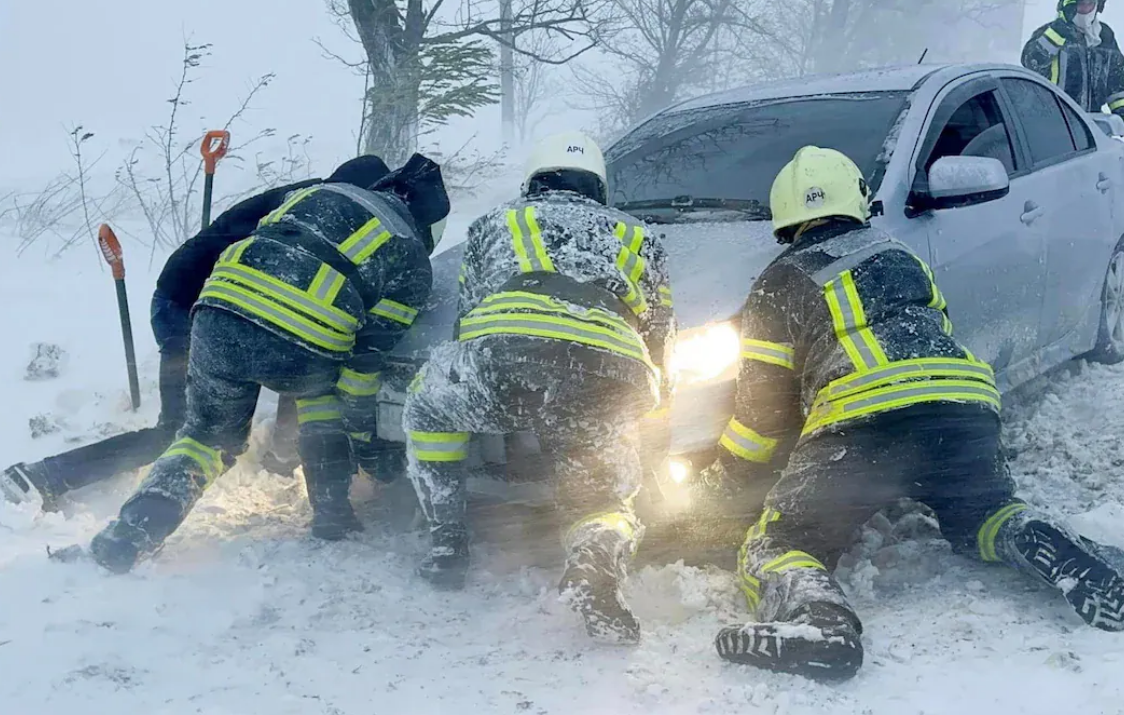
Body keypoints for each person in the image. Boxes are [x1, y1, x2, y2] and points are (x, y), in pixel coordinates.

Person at [702, 146, 1124, 681]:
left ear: (784, 218)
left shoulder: (779, 281)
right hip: (964, 407)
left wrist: (724, 479)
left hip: (861, 424)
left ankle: (820, 623)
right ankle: (1036, 538)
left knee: (782, 541)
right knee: (981, 512)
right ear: (855, 200)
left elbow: (761, 418)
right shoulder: (900, 257)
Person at [86, 152, 450, 573]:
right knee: (322, 401)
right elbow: (363, 367)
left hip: (216, 315)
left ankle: (132, 532)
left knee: (205, 438)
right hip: (302, 340)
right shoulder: (410, 257)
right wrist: (367, 443)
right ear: (427, 225)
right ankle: (332, 516)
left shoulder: (314, 193)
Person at [401, 131, 676, 643]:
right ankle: (596, 559)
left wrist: (497, 389)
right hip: (608, 369)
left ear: (533, 181)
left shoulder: (498, 222)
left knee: (428, 407)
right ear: (598, 186)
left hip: (507, 357)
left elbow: (469, 319)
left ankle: (447, 542)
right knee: (604, 497)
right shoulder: (640, 235)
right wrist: (649, 417)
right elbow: (659, 339)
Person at [0, 161, 392, 510]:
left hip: (227, 309)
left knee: (301, 352)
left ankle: (280, 457)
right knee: (179, 430)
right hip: (189, 310)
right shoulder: (314, 211)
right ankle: (44, 476)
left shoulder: (314, 203)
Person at [1021, 0, 1124, 144]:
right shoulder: (1049, 34)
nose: (1086, 9)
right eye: (1081, 4)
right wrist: (1057, 35)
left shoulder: (1105, 36)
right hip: (1051, 125)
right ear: (1069, 6)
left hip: (1092, 127)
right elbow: (1031, 63)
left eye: (1091, 4)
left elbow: (1115, 81)